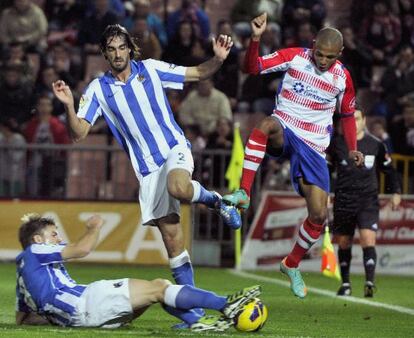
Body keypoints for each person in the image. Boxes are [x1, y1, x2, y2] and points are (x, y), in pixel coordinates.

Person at [52, 24, 241, 326]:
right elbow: (79, 133)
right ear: (104, 53)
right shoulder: (99, 89)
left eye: (121, 47)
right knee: (172, 241)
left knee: (179, 186)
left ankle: (218, 202)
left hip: (173, 149)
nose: (117, 53)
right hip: (147, 170)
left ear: (130, 48)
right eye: (110, 49)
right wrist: (68, 107)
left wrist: (217, 59)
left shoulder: (152, 69)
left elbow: (196, 74)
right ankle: (194, 315)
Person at [223, 13, 364, 299]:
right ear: (312, 46)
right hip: (285, 126)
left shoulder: (343, 78)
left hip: (314, 145)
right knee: (264, 126)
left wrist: (352, 147)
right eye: (318, 54)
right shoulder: (295, 57)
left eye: (329, 57)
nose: (322, 61)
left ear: (340, 54)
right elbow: (252, 68)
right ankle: (244, 193)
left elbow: (347, 114)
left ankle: (291, 264)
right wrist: (255, 39)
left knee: (319, 215)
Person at [15, 213, 261, 331]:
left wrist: (56, 316)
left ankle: (196, 321)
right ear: (38, 239)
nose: (58, 238)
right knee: (160, 288)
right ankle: (227, 305)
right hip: (85, 302)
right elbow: (83, 248)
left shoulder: (23, 268)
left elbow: (23, 319)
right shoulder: (36, 250)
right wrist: (94, 227)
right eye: (53, 234)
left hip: (80, 314)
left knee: (159, 288)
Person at [328, 109, 401, 297]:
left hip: (367, 199)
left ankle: (369, 281)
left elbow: (389, 170)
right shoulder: (336, 144)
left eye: (357, 119)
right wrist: (325, 191)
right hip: (344, 199)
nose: (353, 122)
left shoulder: (376, 144)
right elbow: (326, 170)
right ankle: (345, 284)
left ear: (364, 120)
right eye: (349, 120)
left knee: (368, 239)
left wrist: (395, 192)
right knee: (344, 242)